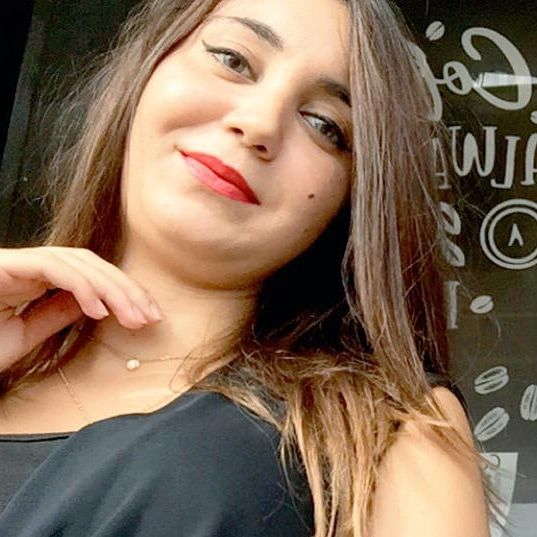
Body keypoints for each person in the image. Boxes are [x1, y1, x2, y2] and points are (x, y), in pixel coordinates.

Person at [0, 0, 502, 535]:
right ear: (147, 68)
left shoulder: (389, 427)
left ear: (352, 200)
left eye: (325, 125)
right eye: (232, 60)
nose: (259, 123)